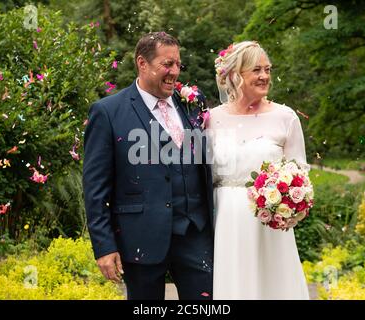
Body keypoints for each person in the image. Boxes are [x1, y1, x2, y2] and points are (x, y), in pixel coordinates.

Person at [83, 32, 214, 300]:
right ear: (142, 63)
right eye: (167, 64)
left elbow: (203, 164)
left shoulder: (192, 104)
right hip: (140, 237)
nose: (175, 72)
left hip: (195, 233)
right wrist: (104, 246)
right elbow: (95, 187)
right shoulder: (108, 112)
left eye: (178, 64)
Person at [208, 41, 310, 299]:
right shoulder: (211, 119)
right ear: (235, 75)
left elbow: (301, 175)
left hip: (269, 224)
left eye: (268, 69)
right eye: (256, 70)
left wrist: (291, 207)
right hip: (226, 220)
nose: (264, 76)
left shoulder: (286, 117)